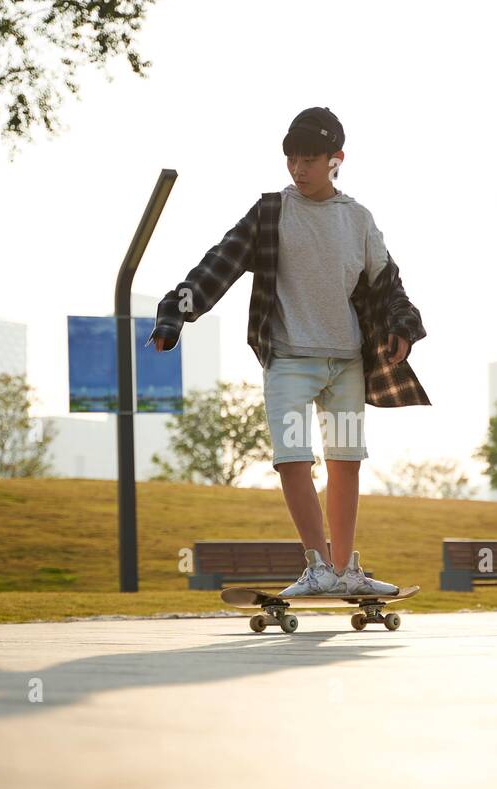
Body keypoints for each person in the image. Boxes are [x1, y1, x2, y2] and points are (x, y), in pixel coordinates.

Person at [152, 106, 430, 597]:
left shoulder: (358, 220)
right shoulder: (271, 212)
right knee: (293, 459)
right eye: (292, 159)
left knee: (346, 460)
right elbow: (220, 262)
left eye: (309, 159)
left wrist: (403, 327)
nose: (298, 169)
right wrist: (175, 314)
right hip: (289, 365)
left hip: (345, 365)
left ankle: (345, 571)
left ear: (336, 159)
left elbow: (390, 286)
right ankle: (318, 565)